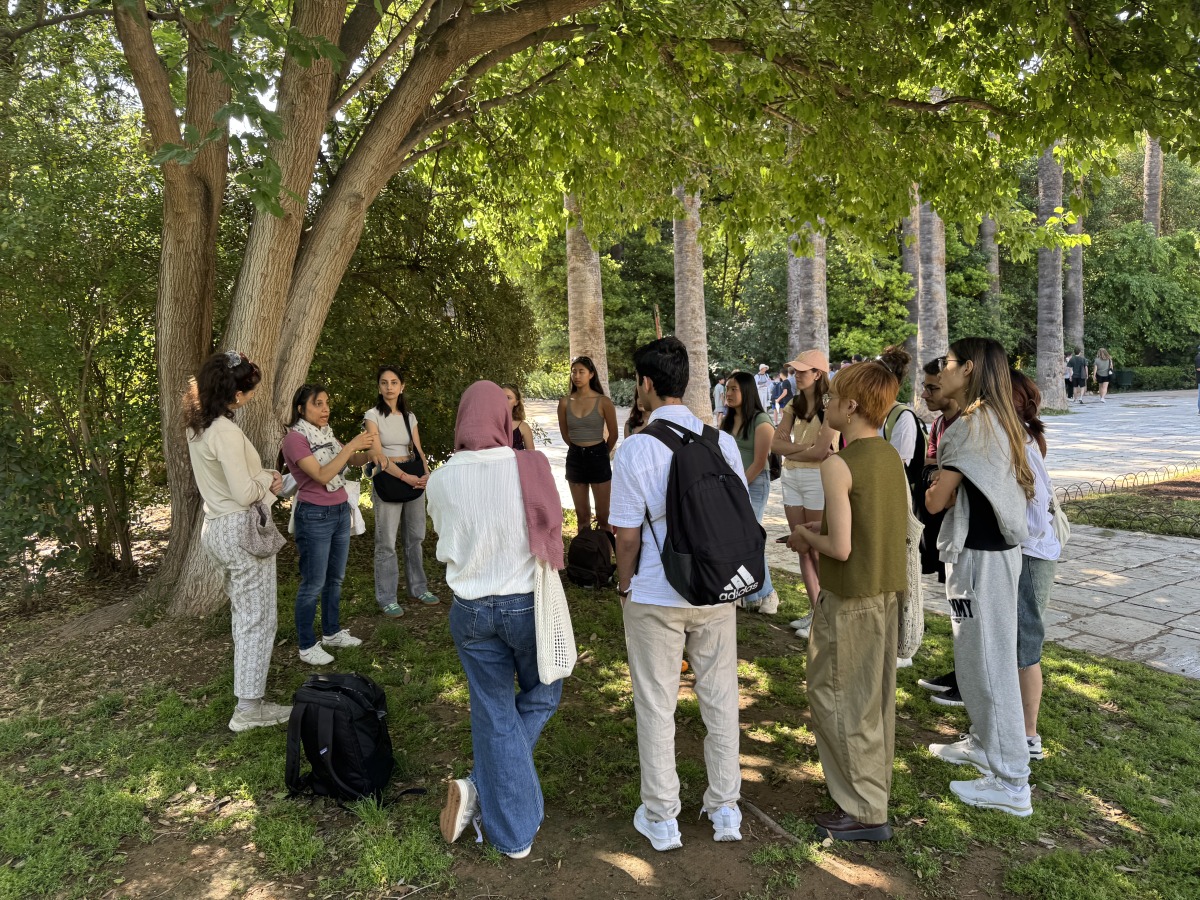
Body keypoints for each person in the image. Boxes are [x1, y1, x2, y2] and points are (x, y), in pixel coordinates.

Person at [611, 336, 746, 851]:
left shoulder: (637, 448)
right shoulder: (721, 442)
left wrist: (624, 585)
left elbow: (626, 535)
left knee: (655, 702)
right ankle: (725, 807)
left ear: (646, 384)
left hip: (654, 590)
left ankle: (662, 815)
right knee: (720, 699)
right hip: (716, 589)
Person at [429, 381, 564, 861]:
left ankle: (480, 785)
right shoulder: (528, 466)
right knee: (543, 693)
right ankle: (512, 834)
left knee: (493, 712)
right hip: (525, 603)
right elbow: (555, 524)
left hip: (468, 608)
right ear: (502, 420)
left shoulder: (442, 477)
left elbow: (444, 537)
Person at [785, 361, 908, 841]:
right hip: (884, 595)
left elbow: (840, 548)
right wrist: (820, 530)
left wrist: (803, 536)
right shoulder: (888, 456)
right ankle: (870, 795)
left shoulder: (838, 462)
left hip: (850, 596)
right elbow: (869, 524)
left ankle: (863, 810)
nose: (828, 404)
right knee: (872, 702)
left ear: (851, 406)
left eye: (833, 397)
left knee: (837, 697)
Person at [925, 338, 1034, 818]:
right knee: (979, 657)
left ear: (967, 368)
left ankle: (1011, 781)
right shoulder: (993, 416)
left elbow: (934, 501)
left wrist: (932, 485)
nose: (941, 372)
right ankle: (985, 745)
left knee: (988, 664)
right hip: (991, 554)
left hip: (982, 558)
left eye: (946, 365)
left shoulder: (969, 427)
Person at [183, 350, 290, 733]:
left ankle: (249, 697)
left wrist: (260, 475)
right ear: (237, 393)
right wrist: (270, 479)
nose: (251, 396)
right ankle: (248, 708)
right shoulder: (225, 432)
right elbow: (246, 493)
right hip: (239, 529)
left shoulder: (199, 427)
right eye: (250, 390)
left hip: (217, 528)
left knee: (245, 617)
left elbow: (231, 478)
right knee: (258, 620)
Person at [283, 384, 375, 665]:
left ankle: (332, 632)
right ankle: (307, 644)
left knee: (335, 579)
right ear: (301, 409)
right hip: (314, 516)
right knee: (313, 583)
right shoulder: (295, 439)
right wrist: (350, 447)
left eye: (326, 403)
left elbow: (350, 461)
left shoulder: (326, 434)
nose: (325, 409)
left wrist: (371, 446)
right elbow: (323, 474)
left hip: (338, 510)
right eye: (317, 404)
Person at [1009, 370, 1062, 761]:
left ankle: (1029, 735)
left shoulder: (1021, 441)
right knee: (1019, 639)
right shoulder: (1024, 436)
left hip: (1033, 551)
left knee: (1026, 642)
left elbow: (1032, 516)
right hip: (1032, 549)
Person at [771, 350, 839, 640]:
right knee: (800, 543)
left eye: (803, 371)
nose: (797, 375)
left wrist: (796, 447)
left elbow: (823, 452)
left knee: (817, 547)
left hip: (817, 479)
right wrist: (805, 449)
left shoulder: (831, 406)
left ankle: (829, 613)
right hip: (792, 477)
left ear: (818, 374)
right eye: (796, 371)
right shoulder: (792, 404)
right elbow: (776, 444)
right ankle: (817, 611)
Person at [364, 365, 438, 615]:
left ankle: (418, 587)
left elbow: (418, 449)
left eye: (394, 382)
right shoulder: (372, 416)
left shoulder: (409, 416)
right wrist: (405, 476)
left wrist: (425, 474)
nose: (389, 387)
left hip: (414, 480)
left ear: (402, 386)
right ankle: (387, 597)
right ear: (379, 387)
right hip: (390, 480)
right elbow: (376, 454)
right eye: (384, 383)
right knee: (386, 542)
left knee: (416, 537)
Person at [915, 359, 964, 703]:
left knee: (969, 609)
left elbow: (949, 487)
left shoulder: (968, 426)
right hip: (945, 527)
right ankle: (962, 670)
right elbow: (932, 467)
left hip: (969, 533)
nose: (925, 393)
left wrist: (941, 485)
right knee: (957, 604)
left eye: (933, 387)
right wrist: (939, 483)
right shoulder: (938, 425)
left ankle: (968, 682)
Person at [720, 372, 780, 614]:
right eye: (728, 389)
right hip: (731, 485)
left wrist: (739, 488)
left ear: (747, 391)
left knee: (750, 538)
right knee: (736, 539)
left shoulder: (761, 421)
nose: (729, 394)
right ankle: (752, 594)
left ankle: (768, 592)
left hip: (754, 485)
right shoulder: (727, 420)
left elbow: (758, 462)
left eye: (735, 389)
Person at [557, 356, 618, 533]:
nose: (576, 375)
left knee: (603, 517)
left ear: (591, 374)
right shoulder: (565, 402)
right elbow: (565, 433)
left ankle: (605, 558)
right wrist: (578, 448)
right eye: (573, 371)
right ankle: (586, 558)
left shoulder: (603, 401)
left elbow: (613, 434)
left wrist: (601, 451)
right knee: (582, 516)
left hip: (598, 455)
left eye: (581, 371)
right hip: (575, 457)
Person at [502, 384, 535, 450]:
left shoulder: (523, 427)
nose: (504, 401)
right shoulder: (489, 424)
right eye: (501, 397)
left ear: (516, 402)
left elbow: (532, 455)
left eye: (508, 398)